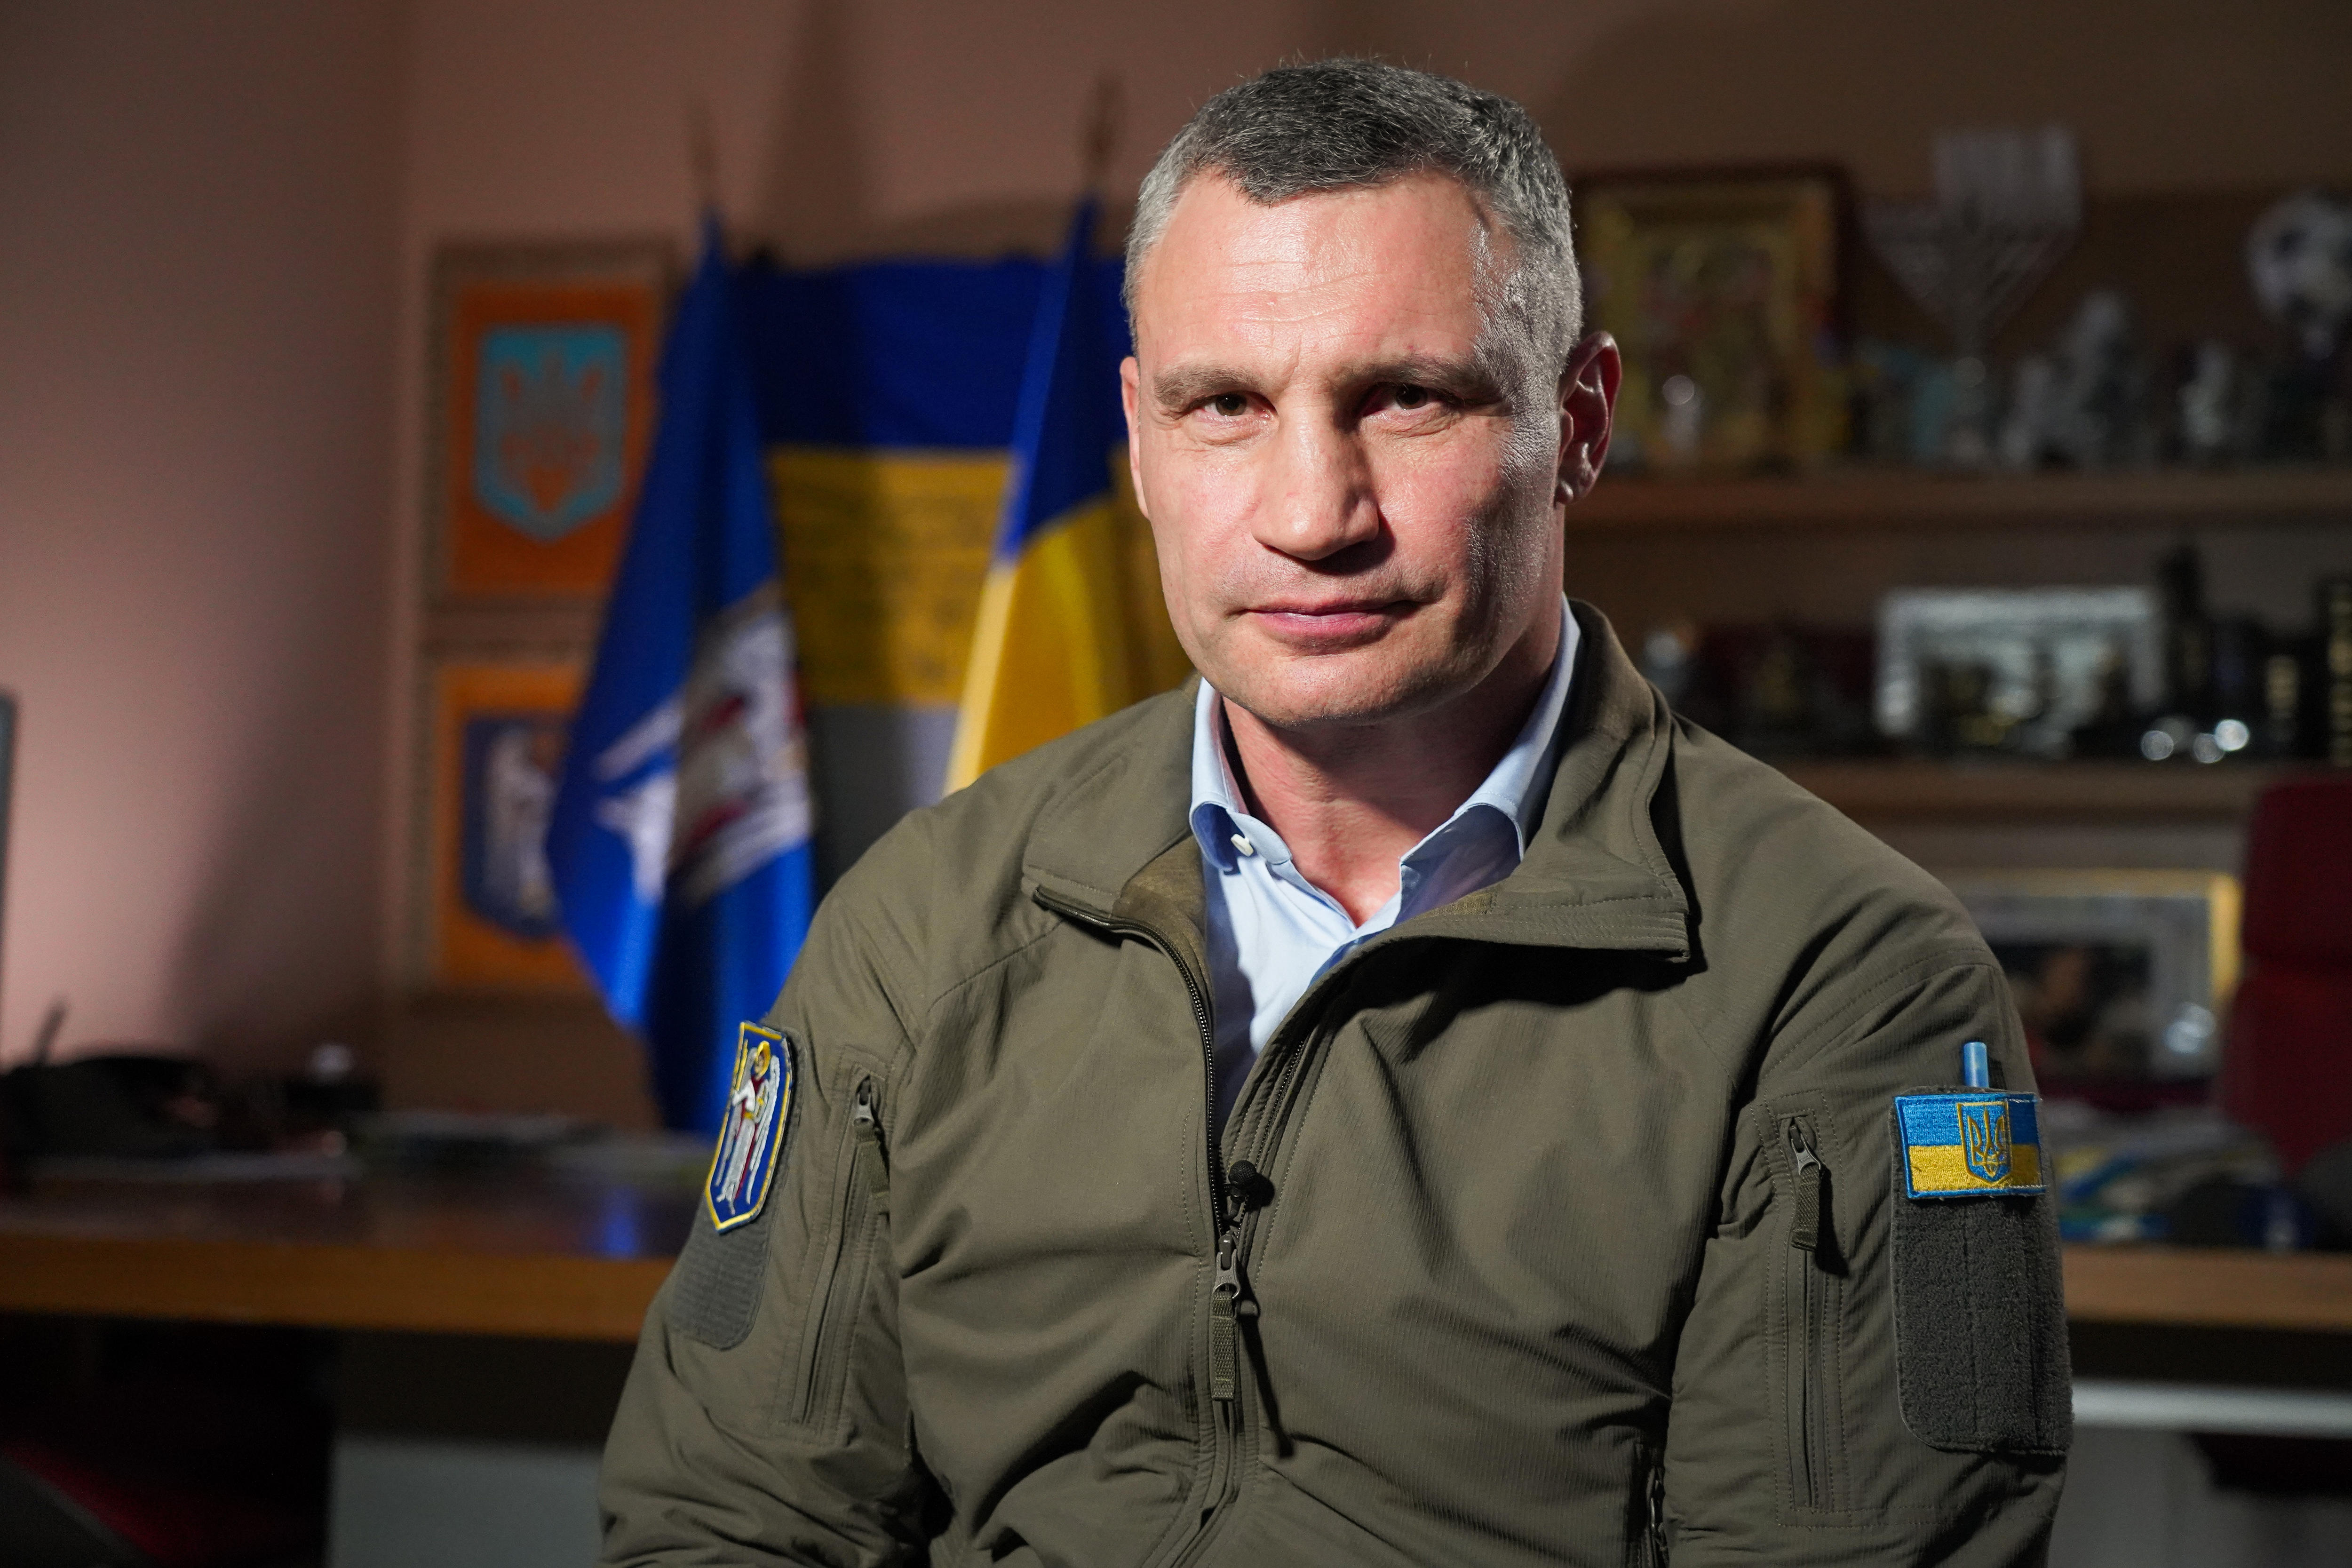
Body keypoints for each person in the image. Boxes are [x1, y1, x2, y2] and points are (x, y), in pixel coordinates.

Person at [599, 59, 2070, 1567]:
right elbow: (724, 1523)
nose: (1312, 515)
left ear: (1578, 423)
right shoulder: (926, 926)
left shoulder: (1852, 980)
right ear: (1139, 441)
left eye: (1408, 398)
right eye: (1225, 405)